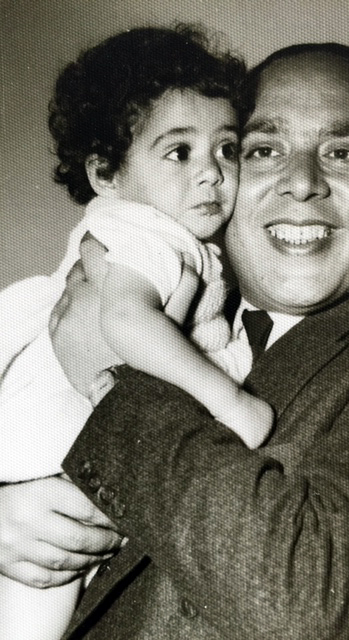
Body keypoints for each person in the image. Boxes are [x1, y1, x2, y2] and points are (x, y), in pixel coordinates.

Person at [2, 42, 349, 639]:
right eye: (261, 151)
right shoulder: (173, 310)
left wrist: (106, 381)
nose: (302, 183)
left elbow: (309, 601)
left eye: (343, 153)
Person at [0, 26, 273, 640]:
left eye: (227, 149)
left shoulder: (180, 244)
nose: (211, 174)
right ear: (106, 173)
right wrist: (231, 401)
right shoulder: (146, 233)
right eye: (179, 152)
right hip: (55, 452)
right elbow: (127, 321)